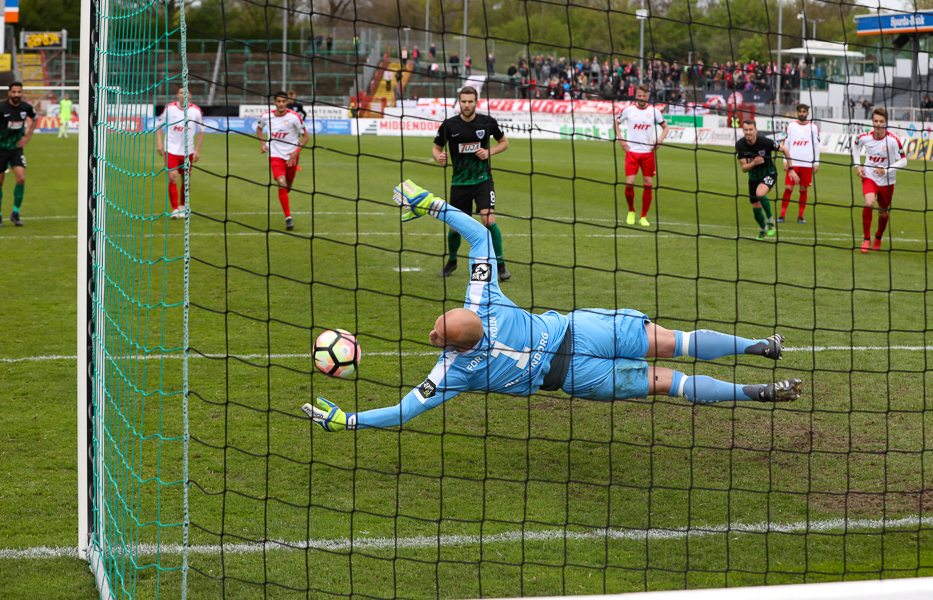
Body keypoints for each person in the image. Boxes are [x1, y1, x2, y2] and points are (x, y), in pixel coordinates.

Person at [301, 181, 803, 432]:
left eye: (437, 332)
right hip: (580, 332)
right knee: (678, 342)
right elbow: (478, 233)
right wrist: (431, 205)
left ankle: (756, 391)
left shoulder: (453, 372)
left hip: (570, 377)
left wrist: (347, 420)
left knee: (670, 383)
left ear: (447, 344)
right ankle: (761, 347)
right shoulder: (484, 298)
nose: (434, 332)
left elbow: (402, 411)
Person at [433, 86, 512, 280]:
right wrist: (438, 157)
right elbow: (436, 148)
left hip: (482, 180)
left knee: (488, 220)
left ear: (477, 102)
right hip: (459, 183)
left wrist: (489, 152)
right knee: (454, 227)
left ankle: (500, 265)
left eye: (470, 101)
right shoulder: (449, 125)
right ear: (459, 102)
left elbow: (504, 143)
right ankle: (452, 261)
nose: (467, 105)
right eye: (463, 101)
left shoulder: (487, 122)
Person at [853, 107, 906, 253]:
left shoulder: (893, 140)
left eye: (881, 121)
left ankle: (878, 237)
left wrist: (886, 170)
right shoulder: (865, 136)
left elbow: (903, 160)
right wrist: (857, 165)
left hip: (887, 181)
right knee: (869, 203)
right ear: (872, 122)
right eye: (875, 121)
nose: (878, 124)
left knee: (883, 213)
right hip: (869, 175)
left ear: (886, 123)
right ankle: (866, 238)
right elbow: (855, 145)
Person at [614, 84, 667, 226]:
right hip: (631, 152)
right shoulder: (628, 110)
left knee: (648, 184)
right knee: (629, 184)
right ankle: (631, 210)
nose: (642, 98)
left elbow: (666, 127)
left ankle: (643, 216)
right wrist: (621, 139)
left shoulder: (654, 112)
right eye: (639, 95)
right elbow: (616, 122)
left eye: (644, 96)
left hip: (648, 153)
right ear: (636, 96)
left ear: (647, 96)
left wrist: (659, 141)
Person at [256, 90, 308, 231]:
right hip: (275, 155)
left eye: (283, 101)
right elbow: (259, 129)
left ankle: (284, 194)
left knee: (288, 186)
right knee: (281, 182)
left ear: (287, 102)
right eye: (278, 101)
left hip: (291, 157)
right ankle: (288, 218)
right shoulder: (266, 116)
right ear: (274, 102)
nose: (281, 104)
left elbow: (306, 137)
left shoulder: (295, 117)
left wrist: (295, 152)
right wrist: (262, 144)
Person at [154, 87, 204, 219]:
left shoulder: (196, 111)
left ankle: (183, 206)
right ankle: (175, 209)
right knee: (172, 178)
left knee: (185, 180)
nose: (184, 95)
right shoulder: (169, 108)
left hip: (188, 151)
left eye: (186, 93)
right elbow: (159, 125)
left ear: (190, 95)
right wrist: (159, 143)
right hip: (170, 149)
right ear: (177, 95)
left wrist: (197, 150)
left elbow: (201, 130)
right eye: (181, 93)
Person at [736, 118, 788, 240]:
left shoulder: (765, 142)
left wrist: (790, 169)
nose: (748, 132)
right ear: (743, 131)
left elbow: (785, 149)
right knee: (756, 209)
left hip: (769, 173)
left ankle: (770, 221)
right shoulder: (740, 144)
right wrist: (754, 163)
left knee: (760, 193)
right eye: (746, 130)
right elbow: (744, 168)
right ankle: (764, 229)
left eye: (750, 129)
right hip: (753, 178)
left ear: (755, 130)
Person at [0, 82, 37, 227]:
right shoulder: (2, 108)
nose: (16, 95)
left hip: (16, 148)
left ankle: (15, 213)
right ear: (9, 93)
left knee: (21, 178)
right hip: (1, 148)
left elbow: (35, 118)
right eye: (14, 92)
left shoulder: (25, 107)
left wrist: (27, 137)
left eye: (19, 92)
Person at [778, 103, 820, 224]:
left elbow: (816, 146)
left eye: (804, 111)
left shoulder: (813, 127)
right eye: (800, 111)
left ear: (808, 113)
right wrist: (785, 160)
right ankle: (782, 215)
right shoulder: (791, 126)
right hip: (793, 163)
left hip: (807, 163)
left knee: (803, 188)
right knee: (788, 188)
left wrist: (816, 163)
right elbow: (786, 143)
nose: (802, 113)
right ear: (797, 113)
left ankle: (800, 216)